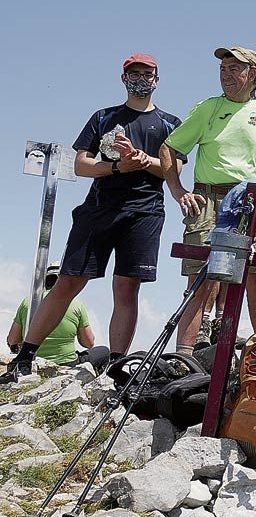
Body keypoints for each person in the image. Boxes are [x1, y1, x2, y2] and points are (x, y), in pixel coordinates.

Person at [4, 53, 183, 381]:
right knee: (68, 282)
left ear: (157, 79)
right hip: (98, 210)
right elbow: (79, 164)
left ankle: (117, 364)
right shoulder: (103, 117)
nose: (141, 79)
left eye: (147, 74)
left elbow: (173, 169)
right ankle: (24, 356)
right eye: (135, 73)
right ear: (124, 77)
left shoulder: (172, 123)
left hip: (145, 212)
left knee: (127, 287)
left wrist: (143, 160)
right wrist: (116, 166)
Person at [160, 46, 256, 354]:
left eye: (235, 69)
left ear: (253, 75)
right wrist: (178, 191)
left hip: (253, 203)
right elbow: (169, 147)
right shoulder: (206, 108)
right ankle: (183, 357)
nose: (226, 74)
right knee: (198, 281)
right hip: (209, 200)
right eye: (223, 69)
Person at [7, 264, 109, 373]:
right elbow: (88, 343)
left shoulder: (29, 301)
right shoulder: (76, 304)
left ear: (46, 281)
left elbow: (13, 340)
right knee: (104, 351)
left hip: (32, 360)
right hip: (68, 363)